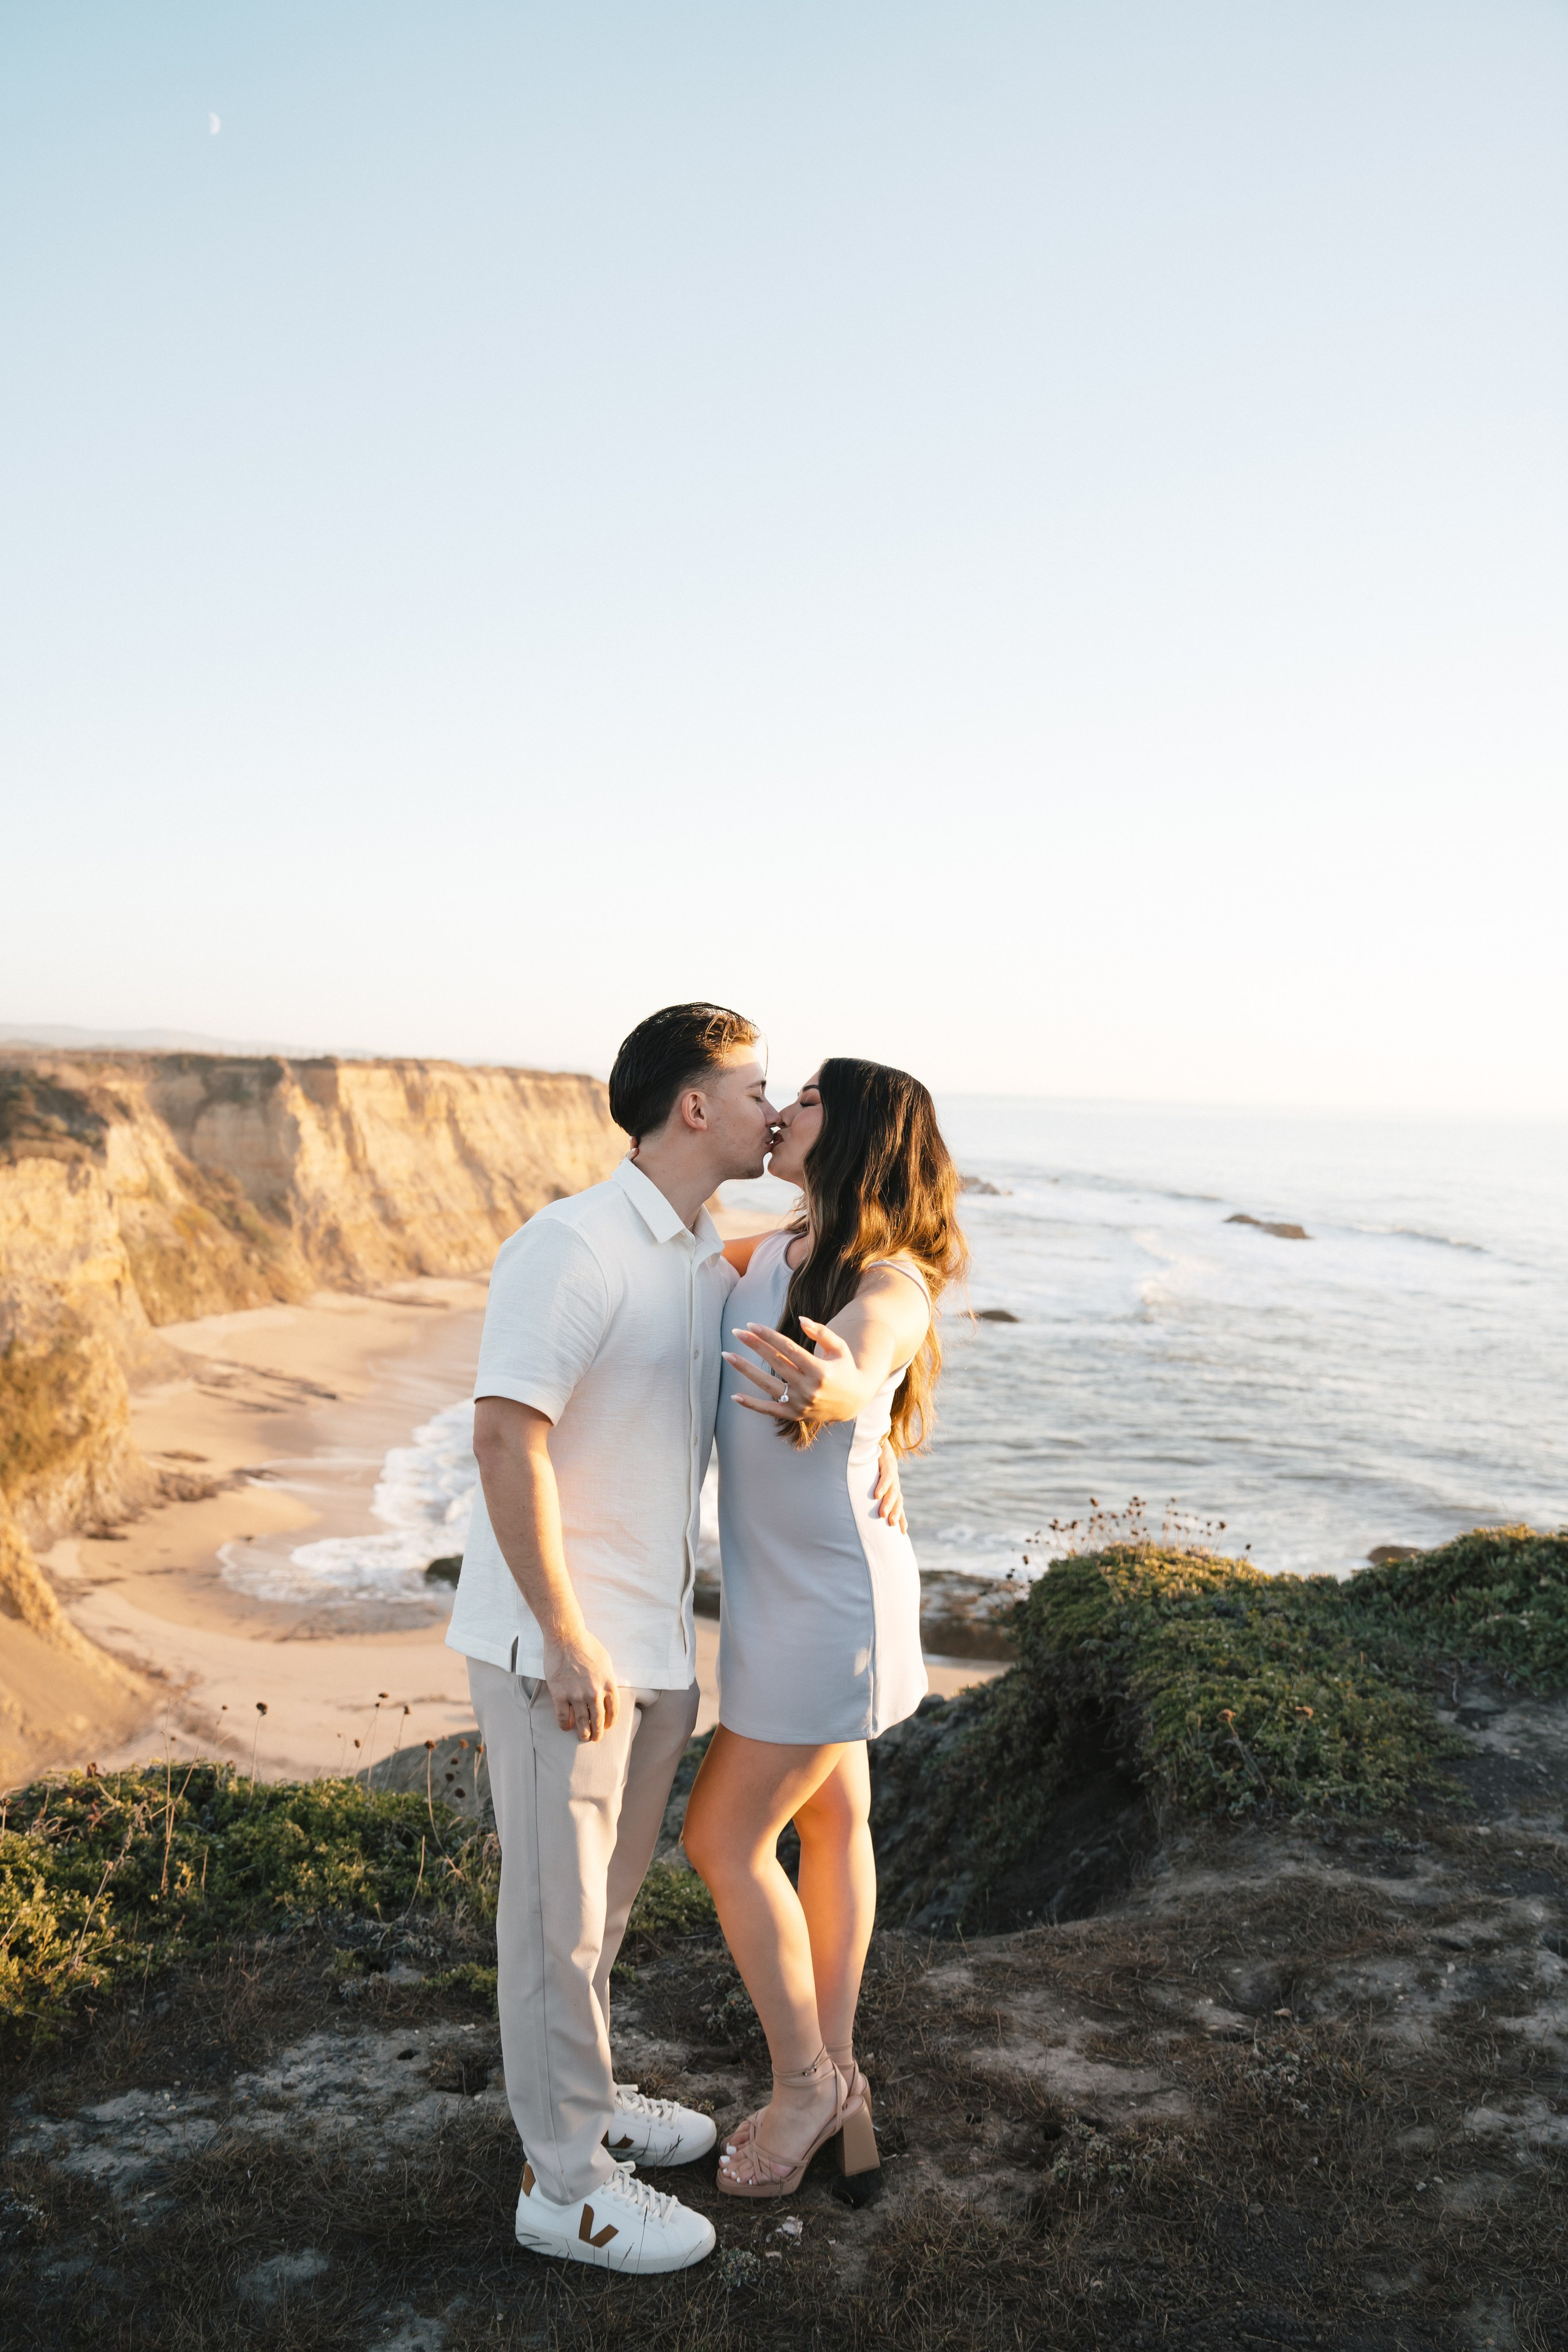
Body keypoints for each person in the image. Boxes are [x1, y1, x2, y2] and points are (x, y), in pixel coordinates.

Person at [447, 1006, 906, 2275]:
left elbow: (871, 1312)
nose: (776, 1108)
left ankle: (588, 2106)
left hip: (653, 1644)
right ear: (695, 1107)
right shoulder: (572, 1245)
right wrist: (561, 1634)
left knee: (599, 1910)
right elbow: (504, 1436)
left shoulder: (706, 1254)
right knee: (553, 1924)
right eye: (759, 1088)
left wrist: (873, 1437)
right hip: (562, 1649)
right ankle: (566, 2188)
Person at [682, 1057, 967, 2199]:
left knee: (721, 1840)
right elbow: (683, 1262)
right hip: (782, 1597)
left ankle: (803, 2085)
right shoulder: (781, 1247)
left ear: (853, 1135)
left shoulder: (890, 1279)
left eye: (806, 1101)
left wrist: (850, 1397)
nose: (784, 1111)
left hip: (833, 1609)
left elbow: (870, 1347)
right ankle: (840, 2083)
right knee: (835, 1821)